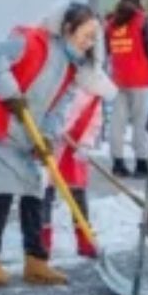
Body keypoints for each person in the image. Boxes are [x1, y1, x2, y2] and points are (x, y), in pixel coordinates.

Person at [0, 3, 116, 287]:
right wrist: (10, 94)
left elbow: (60, 109)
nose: (87, 44)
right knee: (1, 191)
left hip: (29, 134)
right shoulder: (32, 42)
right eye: (84, 36)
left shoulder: (73, 68)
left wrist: (48, 136)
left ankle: (36, 261)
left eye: (92, 40)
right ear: (67, 29)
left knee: (35, 189)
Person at [106, 0, 148, 178]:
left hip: (119, 79)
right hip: (139, 79)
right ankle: (141, 165)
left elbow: (106, 50)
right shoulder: (142, 20)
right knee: (140, 121)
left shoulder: (112, 22)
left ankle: (118, 163)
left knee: (117, 122)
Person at [41, 87, 103, 259]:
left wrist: (85, 144)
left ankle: (84, 239)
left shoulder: (93, 88)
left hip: (75, 145)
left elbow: (94, 120)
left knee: (77, 192)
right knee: (44, 191)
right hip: (50, 141)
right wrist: (53, 126)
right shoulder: (58, 77)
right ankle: (42, 241)